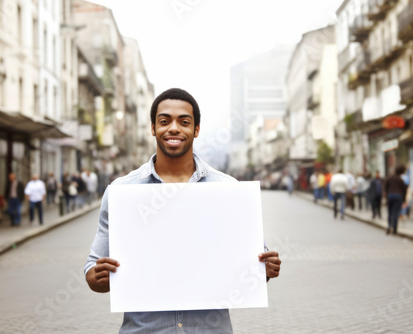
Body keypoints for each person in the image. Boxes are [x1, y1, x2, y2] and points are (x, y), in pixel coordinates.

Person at [84, 88, 281, 333]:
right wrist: (99, 276)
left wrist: (266, 270)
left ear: (196, 129)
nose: (174, 128)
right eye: (164, 121)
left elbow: (253, 271)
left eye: (184, 122)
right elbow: (93, 272)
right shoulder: (122, 192)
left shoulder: (229, 190)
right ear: (153, 128)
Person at [384, 165, 408, 235]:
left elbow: (385, 187)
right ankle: (394, 229)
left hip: (390, 196)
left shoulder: (389, 177)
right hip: (398, 196)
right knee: (396, 212)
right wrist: (404, 200)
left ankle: (389, 226)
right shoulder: (400, 180)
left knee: (390, 212)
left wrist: (386, 197)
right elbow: (404, 190)